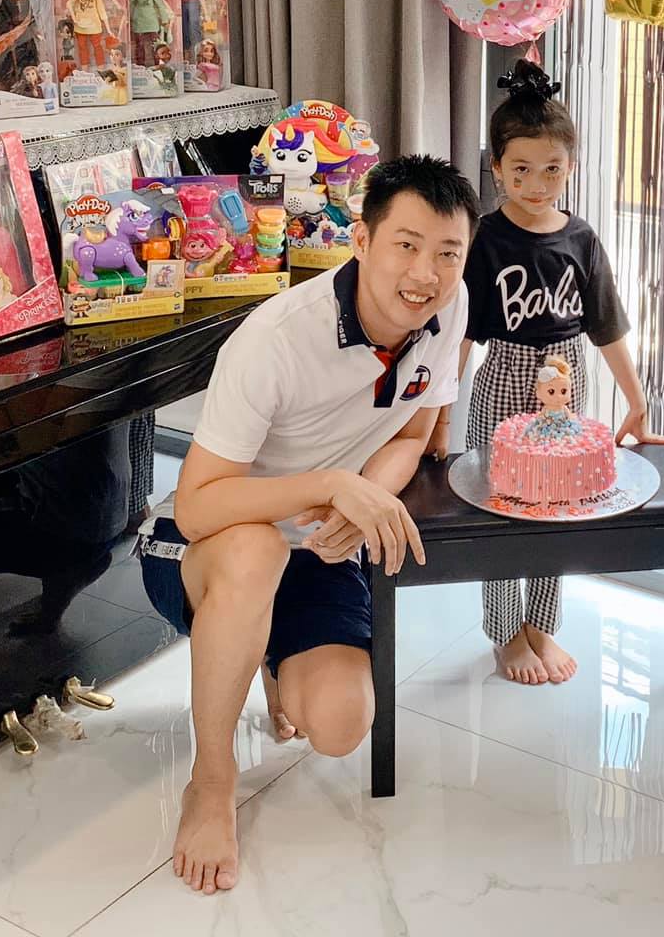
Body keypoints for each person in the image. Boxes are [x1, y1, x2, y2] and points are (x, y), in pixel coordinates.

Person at [139, 154, 475, 896]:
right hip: (199, 550)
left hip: (315, 548)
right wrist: (331, 484)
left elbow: (414, 434)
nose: (425, 273)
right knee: (256, 552)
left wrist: (364, 498)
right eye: (407, 245)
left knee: (340, 725)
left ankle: (262, 653)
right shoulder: (277, 339)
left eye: (448, 253)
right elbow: (196, 506)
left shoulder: (449, 310)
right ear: (362, 239)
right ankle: (211, 782)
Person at [452, 60, 664, 684]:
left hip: (568, 382)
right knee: (502, 508)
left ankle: (542, 623)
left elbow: (607, 325)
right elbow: (463, 336)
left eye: (551, 168)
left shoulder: (582, 238)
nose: (536, 183)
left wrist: (636, 402)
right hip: (503, 379)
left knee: (559, 505)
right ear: (496, 168)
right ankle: (505, 633)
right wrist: (437, 420)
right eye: (520, 169)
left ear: (571, 165)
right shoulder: (486, 238)